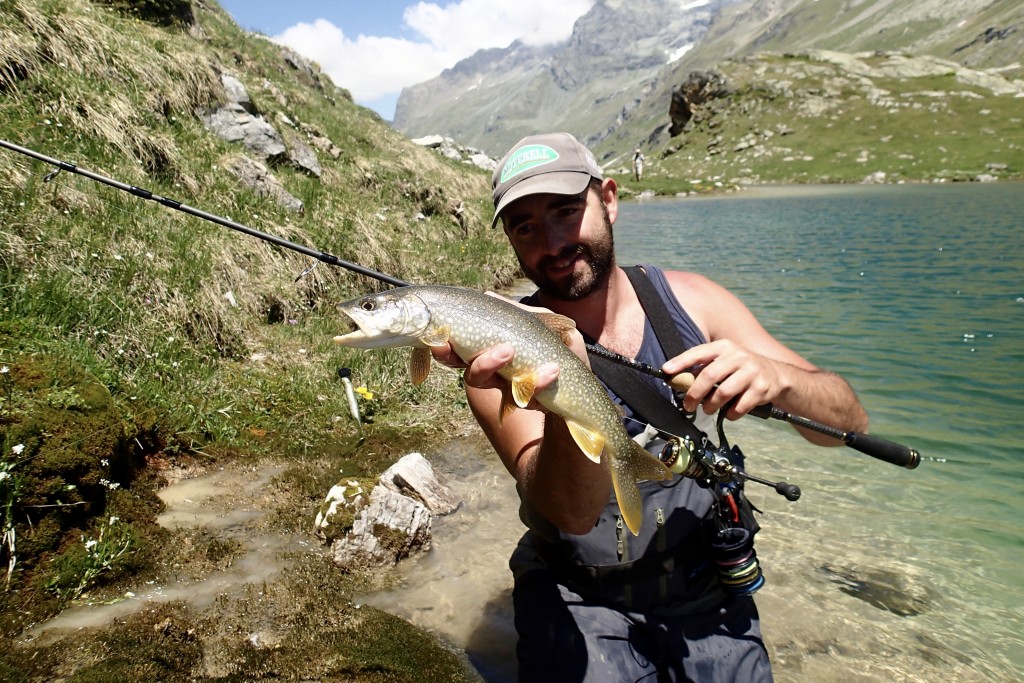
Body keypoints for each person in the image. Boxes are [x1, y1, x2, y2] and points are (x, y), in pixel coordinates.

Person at [432, 132, 868, 682]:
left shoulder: (694, 301)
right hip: (575, 592)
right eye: (525, 227)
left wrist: (780, 380)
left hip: (704, 584)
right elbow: (569, 513)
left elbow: (847, 425)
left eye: (567, 211)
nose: (553, 241)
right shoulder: (495, 357)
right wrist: (566, 388)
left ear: (609, 199)